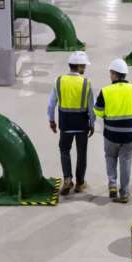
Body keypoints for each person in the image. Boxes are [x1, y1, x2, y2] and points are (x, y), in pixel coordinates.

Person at [94, 58, 132, 203]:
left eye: (111, 73)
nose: (110, 75)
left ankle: (112, 184)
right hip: (130, 136)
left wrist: (106, 114)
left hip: (111, 134)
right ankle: (124, 193)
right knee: (125, 161)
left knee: (110, 157)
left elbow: (98, 111)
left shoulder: (105, 91)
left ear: (114, 74)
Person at [48, 51, 95, 195]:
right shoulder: (86, 83)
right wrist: (92, 123)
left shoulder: (58, 81)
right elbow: (91, 107)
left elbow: (51, 105)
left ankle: (67, 178)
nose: (85, 68)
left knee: (64, 150)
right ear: (79, 66)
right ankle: (80, 183)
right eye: (84, 66)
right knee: (82, 153)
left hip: (65, 124)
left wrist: (52, 120)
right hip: (82, 125)